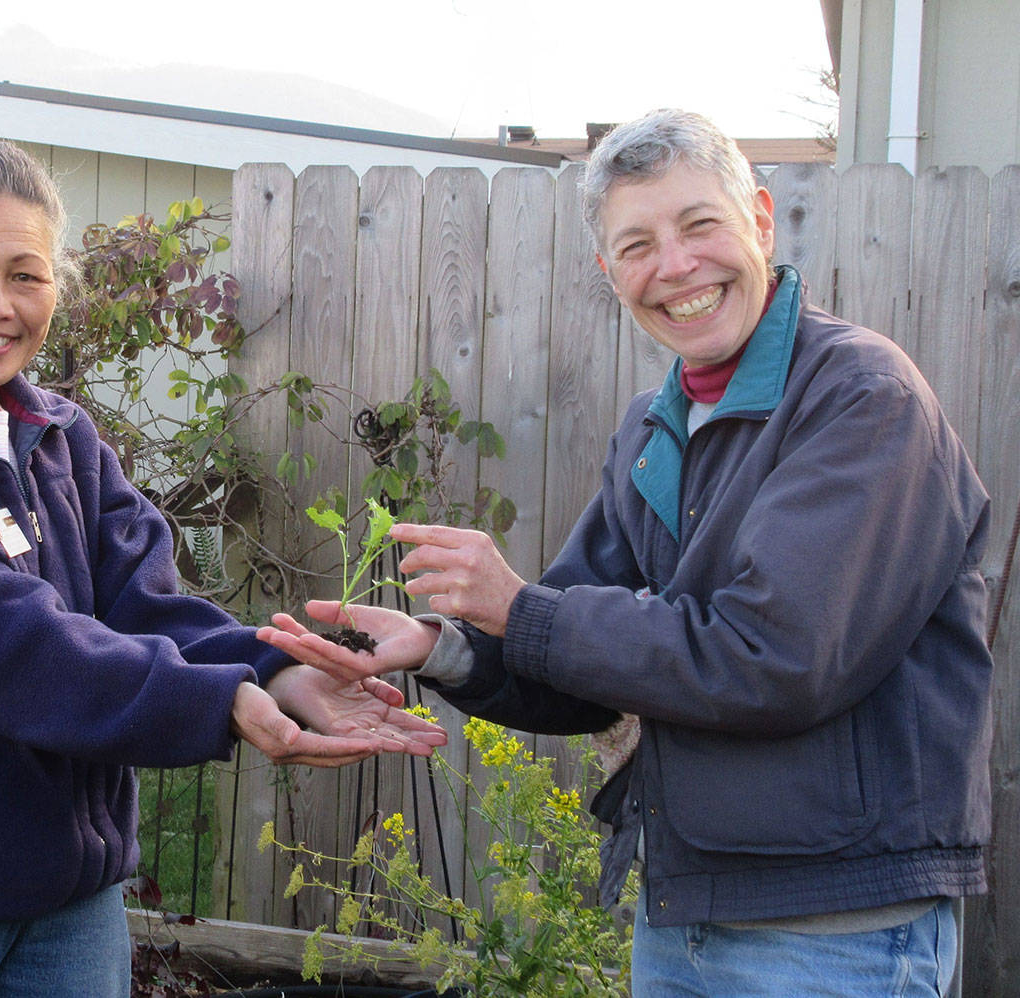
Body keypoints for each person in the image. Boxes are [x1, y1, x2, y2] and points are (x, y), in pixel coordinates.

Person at [258, 109, 993, 996]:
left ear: (760, 220)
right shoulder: (655, 428)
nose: (676, 267)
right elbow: (579, 661)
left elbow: (773, 658)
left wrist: (524, 610)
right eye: (636, 244)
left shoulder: (862, 401)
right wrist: (445, 647)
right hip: (681, 911)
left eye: (700, 225)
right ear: (609, 273)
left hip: (832, 930)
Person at [0, 136, 444, 997]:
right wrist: (217, 700)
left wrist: (276, 668)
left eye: (25, 274)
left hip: (69, 909)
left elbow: (144, 605)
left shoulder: (63, 438)